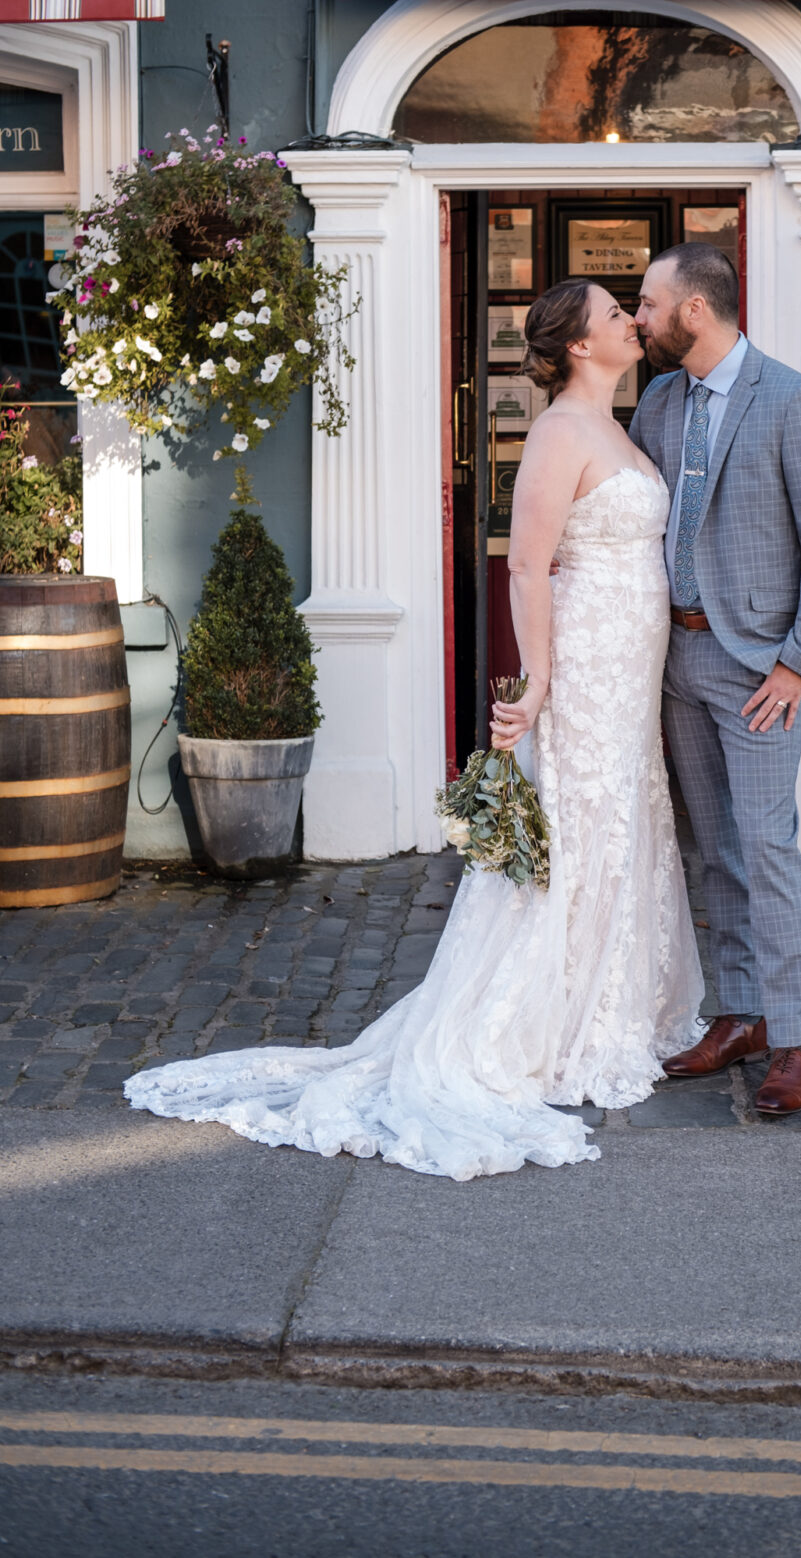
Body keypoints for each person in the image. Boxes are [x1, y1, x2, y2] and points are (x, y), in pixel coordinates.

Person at [124, 279, 704, 1181]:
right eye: (616, 314)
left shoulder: (627, 423)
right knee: (579, 821)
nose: (634, 320)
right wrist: (540, 678)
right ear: (583, 345)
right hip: (586, 661)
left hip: (633, 665)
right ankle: (543, 1021)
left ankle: (609, 1006)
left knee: (623, 818)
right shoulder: (557, 432)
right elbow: (528, 567)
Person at [630, 243, 801, 1115]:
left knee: (765, 846)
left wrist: (800, 664)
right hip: (677, 658)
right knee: (710, 847)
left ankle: (793, 1041)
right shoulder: (658, 399)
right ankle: (739, 1016)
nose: (639, 317)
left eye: (648, 304)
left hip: (760, 668)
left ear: (693, 310)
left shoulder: (795, 401)